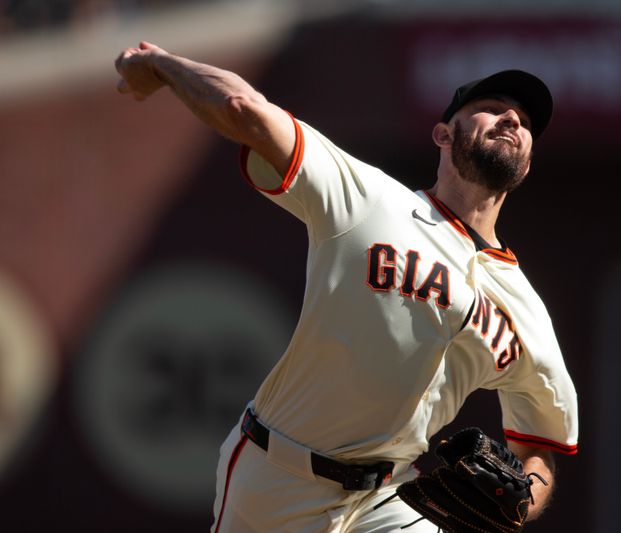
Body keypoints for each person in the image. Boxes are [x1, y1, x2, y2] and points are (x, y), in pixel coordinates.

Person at [114, 41, 579, 532]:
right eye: (490, 109)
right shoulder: (368, 199)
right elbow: (243, 108)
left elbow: (540, 449)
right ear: (444, 133)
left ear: (527, 163)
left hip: (388, 498)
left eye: (525, 123)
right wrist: (161, 64)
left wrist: (519, 505)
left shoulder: (525, 310)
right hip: (280, 478)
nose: (512, 121)